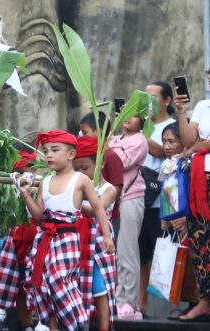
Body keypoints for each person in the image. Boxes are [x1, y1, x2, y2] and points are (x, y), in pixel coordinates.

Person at [22, 130, 114, 331]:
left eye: (55, 150)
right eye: (46, 151)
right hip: (45, 239)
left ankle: (78, 324)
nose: (49, 155)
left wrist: (107, 236)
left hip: (67, 239)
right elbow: (39, 217)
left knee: (59, 281)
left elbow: (98, 208)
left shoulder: (80, 179)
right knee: (42, 285)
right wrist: (26, 197)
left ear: (71, 155)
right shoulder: (45, 181)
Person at [175, 56, 210, 323]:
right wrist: (181, 112)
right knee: (202, 240)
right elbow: (188, 139)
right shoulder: (202, 105)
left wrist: (196, 147)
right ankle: (207, 301)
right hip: (199, 180)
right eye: (208, 71)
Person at [0, 149, 38, 331]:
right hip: (15, 237)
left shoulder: (43, 182)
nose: (26, 175)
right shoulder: (6, 182)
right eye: (20, 171)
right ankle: (27, 326)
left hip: (38, 237)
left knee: (36, 284)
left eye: (29, 169)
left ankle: (44, 323)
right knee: (16, 284)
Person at [72, 136, 117, 331]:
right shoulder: (75, 187)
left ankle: (104, 328)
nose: (81, 173)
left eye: (85, 168)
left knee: (100, 287)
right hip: (77, 242)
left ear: (100, 163)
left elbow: (95, 209)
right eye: (77, 169)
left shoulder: (109, 189)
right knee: (76, 284)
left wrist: (71, 200)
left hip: (99, 243)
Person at [138, 81, 175, 317]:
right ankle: (140, 302)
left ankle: (169, 306)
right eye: (146, 96)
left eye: (154, 96)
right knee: (141, 252)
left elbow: (161, 151)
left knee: (164, 248)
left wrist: (137, 131)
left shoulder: (172, 126)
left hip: (165, 195)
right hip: (139, 194)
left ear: (167, 100)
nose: (148, 101)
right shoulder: (141, 126)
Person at [156, 122, 200, 320]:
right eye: (164, 141)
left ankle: (199, 303)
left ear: (185, 142)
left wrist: (186, 216)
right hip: (173, 222)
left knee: (193, 262)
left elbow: (192, 192)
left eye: (172, 141)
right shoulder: (167, 165)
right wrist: (165, 217)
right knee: (176, 262)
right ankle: (176, 304)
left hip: (188, 220)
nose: (166, 146)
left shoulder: (189, 164)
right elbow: (168, 192)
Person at [108, 116, 148, 320]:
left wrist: (110, 145)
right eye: (124, 112)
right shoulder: (116, 138)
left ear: (143, 120)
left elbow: (118, 162)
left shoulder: (139, 140)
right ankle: (117, 299)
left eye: (133, 115)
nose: (126, 118)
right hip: (113, 198)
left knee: (127, 250)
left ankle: (129, 303)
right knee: (114, 251)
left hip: (131, 197)